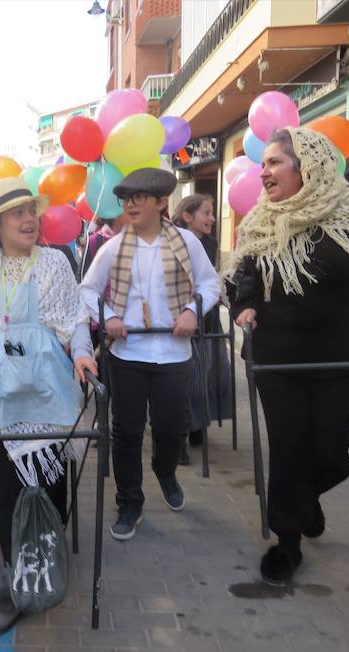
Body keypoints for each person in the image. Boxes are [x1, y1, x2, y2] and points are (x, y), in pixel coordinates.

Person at [225, 127, 349, 586]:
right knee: (288, 444)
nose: (263, 172)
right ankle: (287, 541)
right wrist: (244, 304)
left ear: (304, 167)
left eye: (274, 163)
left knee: (330, 447)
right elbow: (243, 273)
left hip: (339, 353)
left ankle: (306, 498)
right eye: (263, 163)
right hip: (278, 353)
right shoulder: (262, 219)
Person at [0, 177, 98, 635]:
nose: (29, 219)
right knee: (9, 481)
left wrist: (82, 351)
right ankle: (14, 573)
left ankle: (47, 549)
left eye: (30, 211)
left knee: (52, 480)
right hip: (2, 392)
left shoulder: (55, 263)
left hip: (50, 387)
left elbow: (74, 317)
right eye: (17, 213)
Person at [80, 168, 220, 542]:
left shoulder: (186, 242)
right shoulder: (112, 247)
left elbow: (211, 282)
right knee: (125, 432)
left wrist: (193, 311)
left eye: (139, 198)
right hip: (127, 353)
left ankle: (165, 469)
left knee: (172, 427)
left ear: (161, 203)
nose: (130, 205)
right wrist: (107, 317)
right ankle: (129, 503)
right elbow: (87, 290)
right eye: (126, 199)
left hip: (173, 353)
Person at [171, 194, 232, 463]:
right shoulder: (176, 240)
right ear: (187, 216)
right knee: (188, 376)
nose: (212, 218)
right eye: (206, 213)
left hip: (207, 315)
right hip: (185, 314)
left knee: (209, 372)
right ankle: (180, 434)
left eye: (212, 212)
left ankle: (198, 426)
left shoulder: (210, 241)